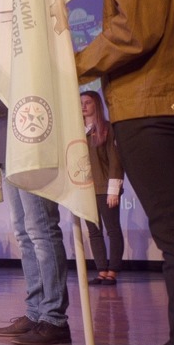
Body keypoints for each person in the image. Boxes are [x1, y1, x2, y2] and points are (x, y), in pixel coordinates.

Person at [75, 0, 174, 345]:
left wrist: (70, 65)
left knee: (173, 238)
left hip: (148, 105)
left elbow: (134, 28)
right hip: (166, 99)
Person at [0, 87, 72, 345]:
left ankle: (54, 318)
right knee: (24, 234)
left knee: (41, 230)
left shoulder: (27, 59)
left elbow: (35, 91)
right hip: (9, 152)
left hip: (31, 147)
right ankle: (36, 312)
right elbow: (5, 110)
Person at [80, 90, 125, 286]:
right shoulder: (78, 132)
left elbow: (115, 160)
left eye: (88, 102)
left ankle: (112, 270)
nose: (83, 106)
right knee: (94, 232)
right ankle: (101, 270)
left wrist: (114, 189)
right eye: (81, 103)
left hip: (105, 187)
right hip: (86, 190)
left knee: (112, 230)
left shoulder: (106, 128)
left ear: (96, 104)